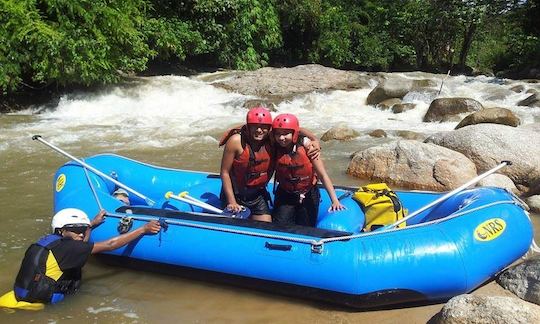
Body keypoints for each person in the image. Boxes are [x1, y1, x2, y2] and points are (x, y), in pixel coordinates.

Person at [0, 208, 160, 310]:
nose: (81, 233)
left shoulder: (48, 241)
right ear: (62, 230)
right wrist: (142, 229)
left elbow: (80, 244)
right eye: (77, 229)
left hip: (22, 293)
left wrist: (90, 225)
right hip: (42, 301)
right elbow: (111, 244)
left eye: (83, 229)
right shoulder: (69, 248)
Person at [219, 107, 320, 222]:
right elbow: (224, 172)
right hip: (236, 193)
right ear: (248, 127)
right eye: (254, 126)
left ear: (269, 129)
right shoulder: (236, 141)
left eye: (263, 127)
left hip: (256, 196)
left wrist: (314, 139)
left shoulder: (271, 139)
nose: (259, 130)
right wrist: (232, 201)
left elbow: (296, 129)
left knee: (267, 226)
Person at [271, 113, 345, 227]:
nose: (281, 138)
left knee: (306, 228)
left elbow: (322, 175)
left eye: (286, 134)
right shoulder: (273, 145)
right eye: (278, 134)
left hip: (308, 193)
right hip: (285, 194)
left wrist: (335, 200)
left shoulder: (308, 147)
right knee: (280, 227)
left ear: (295, 134)